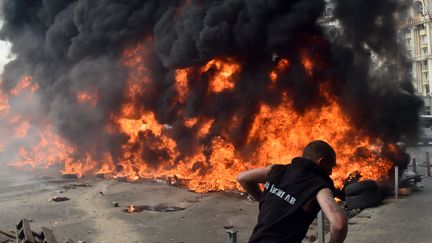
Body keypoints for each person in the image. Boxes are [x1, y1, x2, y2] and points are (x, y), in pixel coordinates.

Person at [237, 140, 348, 243]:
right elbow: (339, 224)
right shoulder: (319, 186)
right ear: (321, 162)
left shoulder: (277, 170)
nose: (331, 173)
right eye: (331, 166)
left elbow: (242, 178)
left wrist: (263, 199)